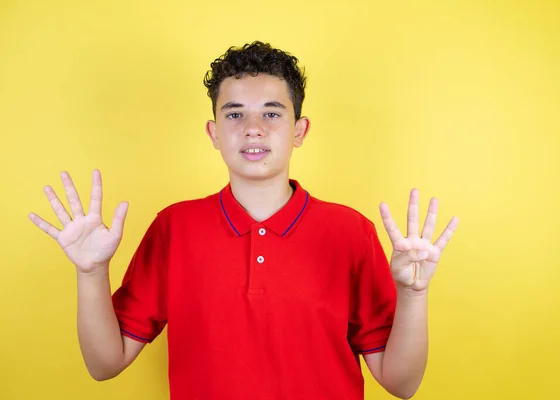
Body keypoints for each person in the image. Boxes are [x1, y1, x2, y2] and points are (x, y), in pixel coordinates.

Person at [28, 41, 458, 400]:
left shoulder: (350, 232)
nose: (253, 128)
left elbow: (402, 384)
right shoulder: (174, 227)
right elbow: (105, 365)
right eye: (235, 114)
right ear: (214, 133)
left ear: (299, 130)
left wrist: (413, 293)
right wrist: (91, 272)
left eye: (272, 113)